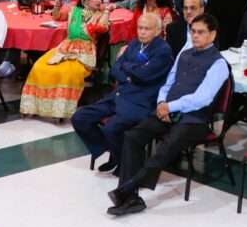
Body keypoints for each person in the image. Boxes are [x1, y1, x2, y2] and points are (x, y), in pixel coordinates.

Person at [106, 14, 229, 216]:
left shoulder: (218, 64)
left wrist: (170, 106)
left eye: (201, 32)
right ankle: (131, 197)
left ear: (212, 35)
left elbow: (203, 98)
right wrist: (162, 102)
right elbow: (169, 82)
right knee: (133, 136)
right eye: (193, 32)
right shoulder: (185, 54)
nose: (195, 36)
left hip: (194, 120)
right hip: (167, 111)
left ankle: (127, 189)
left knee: (166, 147)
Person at [71, 14, 174, 173]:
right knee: (80, 117)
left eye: (147, 29)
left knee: (111, 128)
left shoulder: (163, 51)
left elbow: (144, 75)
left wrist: (127, 67)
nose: (142, 32)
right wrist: (131, 71)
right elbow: (115, 69)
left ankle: (122, 161)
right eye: (140, 28)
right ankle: (114, 152)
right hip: (120, 94)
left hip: (141, 101)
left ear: (158, 30)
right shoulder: (134, 44)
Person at [19, 0, 111, 119]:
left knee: (67, 73)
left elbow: (102, 27)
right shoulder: (73, 10)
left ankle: (60, 111)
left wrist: (107, 10)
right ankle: (33, 106)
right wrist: (57, 6)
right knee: (39, 66)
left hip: (85, 52)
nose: (99, 1)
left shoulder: (100, 15)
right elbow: (56, 17)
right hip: (64, 47)